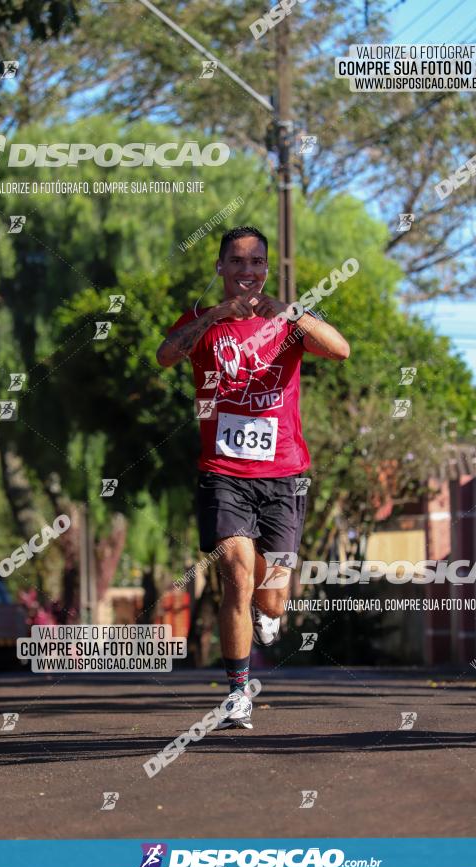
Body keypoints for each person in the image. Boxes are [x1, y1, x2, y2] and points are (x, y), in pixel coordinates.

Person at [156, 226, 350, 729]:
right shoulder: (202, 323)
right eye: (237, 262)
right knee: (237, 573)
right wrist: (218, 315)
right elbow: (166, 354)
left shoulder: (286, 321)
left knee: (272, 596)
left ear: (267, 268)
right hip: (222, 471)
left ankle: (271, 613)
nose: (247, 271)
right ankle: (239, 692)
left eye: (257, 262)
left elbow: (341, 349)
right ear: (220, 267)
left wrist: (290, 311)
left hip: (284, 473)